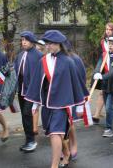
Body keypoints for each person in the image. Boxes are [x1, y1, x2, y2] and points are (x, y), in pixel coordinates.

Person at [25, 30, 86, 168]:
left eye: (51, 44)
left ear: (59, 44)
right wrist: (35, 104)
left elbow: (76, 85)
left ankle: (54, 165)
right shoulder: (44, 60)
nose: (48, 46)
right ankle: (66, 152)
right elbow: (37, 83)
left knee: (55, 133)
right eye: (47, 43)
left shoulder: (68, 61)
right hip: (47, 103)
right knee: (53, 132)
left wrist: (80, 106)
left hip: (62, 104)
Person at [13, 31, 43, 152]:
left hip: (33, 91)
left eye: (26, 40)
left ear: (32, 41)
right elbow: (16, 70)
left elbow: (41, 75)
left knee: (27, 113)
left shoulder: (38, 55)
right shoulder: (20, 55)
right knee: (24, 115)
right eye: (22, 40)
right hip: (21, 90)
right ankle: (28, 139)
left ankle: (31, 141)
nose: (24, 42)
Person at [92, 22, 113, 123]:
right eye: (106, 29)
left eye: (110, 29)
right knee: (102, 92)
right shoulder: (103, 41)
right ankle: (97, 114)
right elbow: (102, 56)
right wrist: (98, 70)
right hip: (105, 69)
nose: (107, 31)